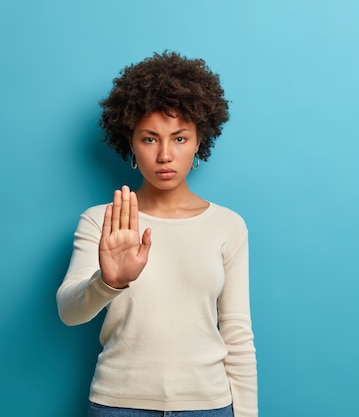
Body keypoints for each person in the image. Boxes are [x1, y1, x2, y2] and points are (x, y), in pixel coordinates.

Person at [56, 51, 258, 417]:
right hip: (119, 405)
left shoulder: (228, 225)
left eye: (179, 139)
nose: (165, 154)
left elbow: (238, 334)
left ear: (199, 141)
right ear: (130, 143)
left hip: (208, 407)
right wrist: (109, 282)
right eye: (150, 139)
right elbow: (69, 313)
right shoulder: (101, 221)